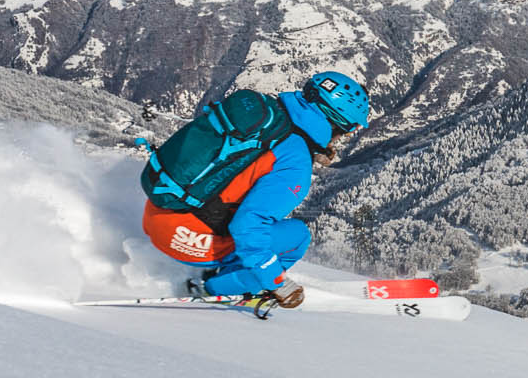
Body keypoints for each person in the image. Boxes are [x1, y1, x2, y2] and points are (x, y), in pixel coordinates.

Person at [139, 70, 371, 309]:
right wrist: (276, 282)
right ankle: (212, 288)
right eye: (350, 129)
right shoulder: (295, 160)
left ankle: (227, 272)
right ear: (340, 123)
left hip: (156, 212)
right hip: (186, 241)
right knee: (297, 237)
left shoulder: (265, 114)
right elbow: (248, 224)